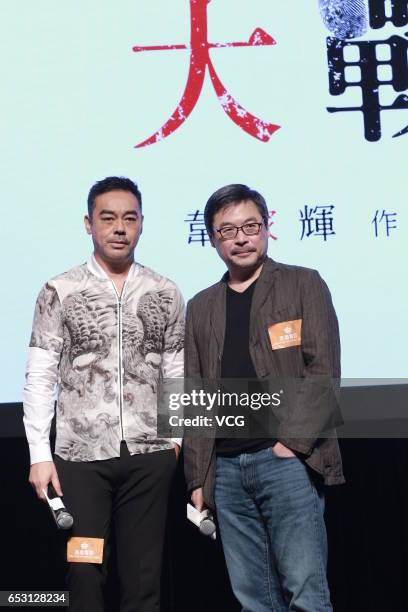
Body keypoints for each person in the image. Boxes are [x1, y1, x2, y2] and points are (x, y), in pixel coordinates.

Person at [23, 176, 184, 612]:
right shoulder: (60, 290)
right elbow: (40, 375)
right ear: (88, 224)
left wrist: (176, 441)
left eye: (129, 218)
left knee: (144, 576)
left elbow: (176, 370)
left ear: (142, 224)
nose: (119, 228)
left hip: (149, 455)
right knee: (83, 569)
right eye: (107, 218)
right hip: (78, 458)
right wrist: (40, 453)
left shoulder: (165, 291)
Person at [183, 184, 344, 612]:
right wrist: (197, 478)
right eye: (227, 230)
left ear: (267, 229)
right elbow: (195, 395)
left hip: (287, 463)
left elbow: (323, 370)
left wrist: (291, 443)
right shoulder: (200, 306)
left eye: (251, 226)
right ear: (213, 239)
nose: (241, 237)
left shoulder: (302, 283)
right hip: (227, 472)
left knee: (306, 592)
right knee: (253, 600)